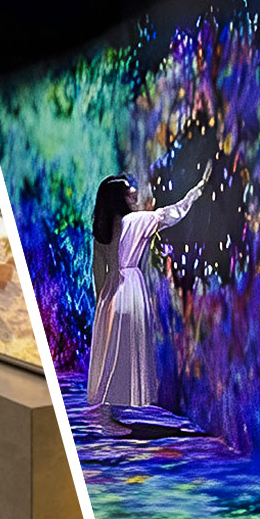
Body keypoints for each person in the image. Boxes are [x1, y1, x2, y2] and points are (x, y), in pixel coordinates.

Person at [87, 164, 212, 425]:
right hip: (130, 287)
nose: (134, 193)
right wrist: (197, 190)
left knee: (113, 348)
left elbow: (97, 267)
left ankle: (108, 411)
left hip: (112, 289)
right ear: (121, 198)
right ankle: (110, 414)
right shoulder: (136, 221)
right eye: (129, 192)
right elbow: (171, 214)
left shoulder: (103, 226)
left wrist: (103, 298)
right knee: (125, 349)